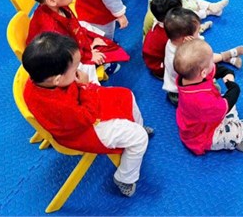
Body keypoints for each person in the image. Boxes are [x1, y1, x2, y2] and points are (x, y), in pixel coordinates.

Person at [22, 33, 151, 197]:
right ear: (57, 80)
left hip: (80, 107)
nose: (78, 70)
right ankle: (124, 178)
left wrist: (82, 86)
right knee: (140, 137)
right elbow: (87, 117)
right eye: (75, 69)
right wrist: (86, 86)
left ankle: (136, 128)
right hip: (81, 131)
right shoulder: (60, 106)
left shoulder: (40, 79)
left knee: (126, 95)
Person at [24, 0, 129, 79]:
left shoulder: (55, 5)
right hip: (58, 59)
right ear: (52, 0)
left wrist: (88, 43)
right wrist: (88, 56)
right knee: (99, 58)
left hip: (71, 39)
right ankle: (102, 67)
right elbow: (65, 53)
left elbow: (72, 28)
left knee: (103, 41)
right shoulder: (51, 29)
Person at [174, 39, 243, 155]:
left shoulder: (188, 77)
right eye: (211, 61)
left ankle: (235, 137)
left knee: (225, 101)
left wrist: (226, 73)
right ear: (203, 73)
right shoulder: (201, 101)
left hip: (205, 117)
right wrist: (234, 88)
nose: (214, 63)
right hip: (203, 135)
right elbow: (225, 105)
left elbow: (216, 70)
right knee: (232, 120)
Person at [163, 9, 243, 106]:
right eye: (197, 32)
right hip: (178, 93)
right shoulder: (184, 59)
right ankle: (226, 56)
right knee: (214, 90)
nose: (199, 34)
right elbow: (204, 61)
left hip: (190, 75)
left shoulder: (173, 42)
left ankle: (226, 57)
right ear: (186, 39)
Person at [142, 0, 183, 79]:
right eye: (180, 11)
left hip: (155, 57)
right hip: (159, 66)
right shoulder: (168, 34)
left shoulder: (160, 23)